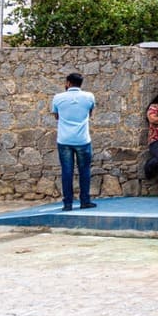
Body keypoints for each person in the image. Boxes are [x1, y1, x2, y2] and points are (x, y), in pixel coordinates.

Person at [51, 72, 97, 211]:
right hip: (82, 139)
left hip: (64, 140)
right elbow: (90, 114)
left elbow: (56, 117)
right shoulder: (89, 96)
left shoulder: (58, 97)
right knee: (84, 171)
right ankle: (85, 201)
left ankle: (68, 204)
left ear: (68, 83)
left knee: (67, 171)